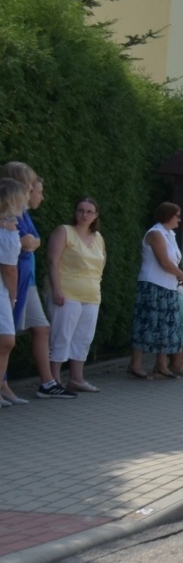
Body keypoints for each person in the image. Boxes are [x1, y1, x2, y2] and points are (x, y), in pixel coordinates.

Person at [2, 161, 58, 398]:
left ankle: (46, 382)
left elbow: (33, 240)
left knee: (31, 330)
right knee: (7, 334)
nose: (36, 191)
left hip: (25, 275)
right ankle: (3, 384)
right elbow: (26, 242)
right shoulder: (9, 216)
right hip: (15, 277)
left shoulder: (19, 214)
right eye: (31, 183)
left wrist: (30, 243)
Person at [42, 197, 108, 393]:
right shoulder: (64, 232)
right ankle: (54, 379)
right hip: (67, 292)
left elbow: (101, 266)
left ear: (96, 215)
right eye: (80, 210)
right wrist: (56, 289)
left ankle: (76, 379)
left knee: (83, 337)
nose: (84, 214)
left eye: (89, 211)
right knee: (61, 335)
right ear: (75, 212)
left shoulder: (98, 238)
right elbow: (53, 261)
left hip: (91, 295)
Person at [129, 202, 183, 380]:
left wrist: (177, 273)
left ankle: (161, 365)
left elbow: (173, 259)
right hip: (152, 284)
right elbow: (164, 262)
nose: (179, 219)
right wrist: (180, 273)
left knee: (166, 326)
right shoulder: (155, 233)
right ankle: (135, 364)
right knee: (146, 323)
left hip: (168, 287)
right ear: (168, 216)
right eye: (177, 215)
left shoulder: (170, 234)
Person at [0, 179, 25, 406]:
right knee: (6, 339)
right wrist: (13, 295)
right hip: (2, 289)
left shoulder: (10, 226)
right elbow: (9, 268)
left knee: (6, 340)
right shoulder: (6, 230)